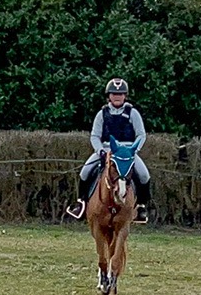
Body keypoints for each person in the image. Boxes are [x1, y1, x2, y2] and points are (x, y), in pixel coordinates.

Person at [65, 78, 152, 223]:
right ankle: (81, 203)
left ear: (125, 96)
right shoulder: (102, 114)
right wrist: (100, 151)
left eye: (120, 94)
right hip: (106, 149)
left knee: (144, 175)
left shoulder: (133, 113)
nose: (117, 96)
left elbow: (141, 135)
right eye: (114, 94)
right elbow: (95, 136)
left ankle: (141, 207)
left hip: (127, 151)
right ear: (108, 96)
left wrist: (133, 150)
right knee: (85, 172)